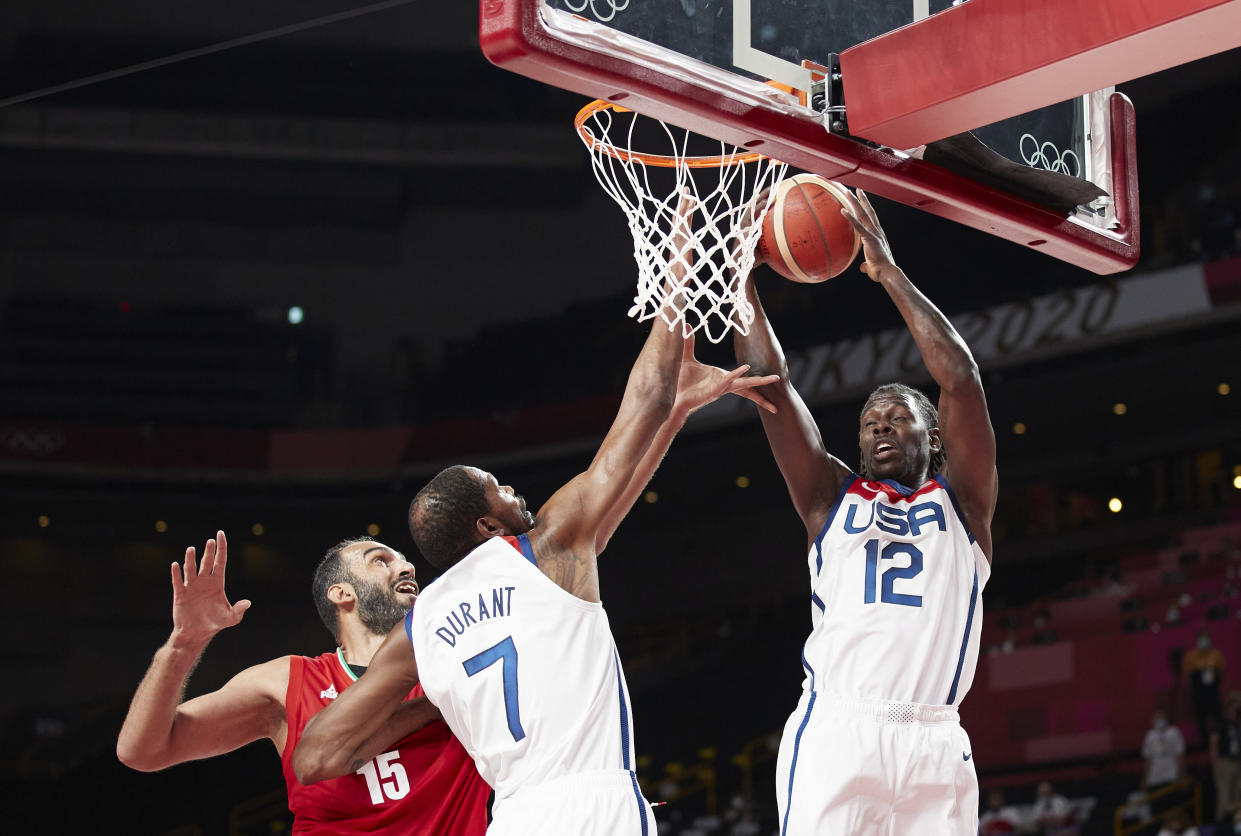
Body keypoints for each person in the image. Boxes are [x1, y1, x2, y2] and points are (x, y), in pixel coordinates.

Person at [291, 223, 781, 834]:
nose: (516, 491)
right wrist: (677, 274)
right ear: (487, 525)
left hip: (516, 817)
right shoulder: (545, 547)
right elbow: (645, 399)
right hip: (596, 804)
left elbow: (315, 758)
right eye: (501, 487)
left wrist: (427, 713)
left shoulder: (421, 626)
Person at [733, 189, 997, 835]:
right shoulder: (830, 499)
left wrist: (887, 272)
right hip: (839, 726)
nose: (878, 426)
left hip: (935, 736)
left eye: (896, 417)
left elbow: (959, 378)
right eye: (868, 421)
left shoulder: (962, 502)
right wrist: (739, 274)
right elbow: (769, 383)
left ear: (931, 438)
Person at [117, 531, 490, 834]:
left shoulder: (458, 667)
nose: (406, 565)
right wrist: (183, 644)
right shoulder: (287, 681)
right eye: (381, 560)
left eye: (403, 560)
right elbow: (143, 751)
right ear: (342, 593)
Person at [1185, 629, 1226, 745]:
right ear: (1198, 639)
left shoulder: (1216, 654)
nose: (1204, 640)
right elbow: (1188, 674)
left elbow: (1221, 672)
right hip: (1198, 692)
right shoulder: (1191, 656)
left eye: (1206, 637)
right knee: (1201, 719)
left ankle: (1221, 740)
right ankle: (1204, 742)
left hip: (1213, 691)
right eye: (1201, 637)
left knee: (1217, 717)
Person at [1212, 690, 1241, 820]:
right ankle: (1222, 826)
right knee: (1224, 796)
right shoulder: (1221, 719)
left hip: (1239, 761)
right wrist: (1216, 763)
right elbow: (1213, 742)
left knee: (1238, 796)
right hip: (1225, 761)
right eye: (1234, 702)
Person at [1142, 707, 1185, 792]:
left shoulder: (1174, 732)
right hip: (1155, 779)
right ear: (1152, 720)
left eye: (1161, 717)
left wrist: (1182, 776)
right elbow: (1148, 759)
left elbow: (1180, 755)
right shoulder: (1150, 736)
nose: (1159, 720)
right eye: (1157, 717)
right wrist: (1145, 779)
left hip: (1172, 776)